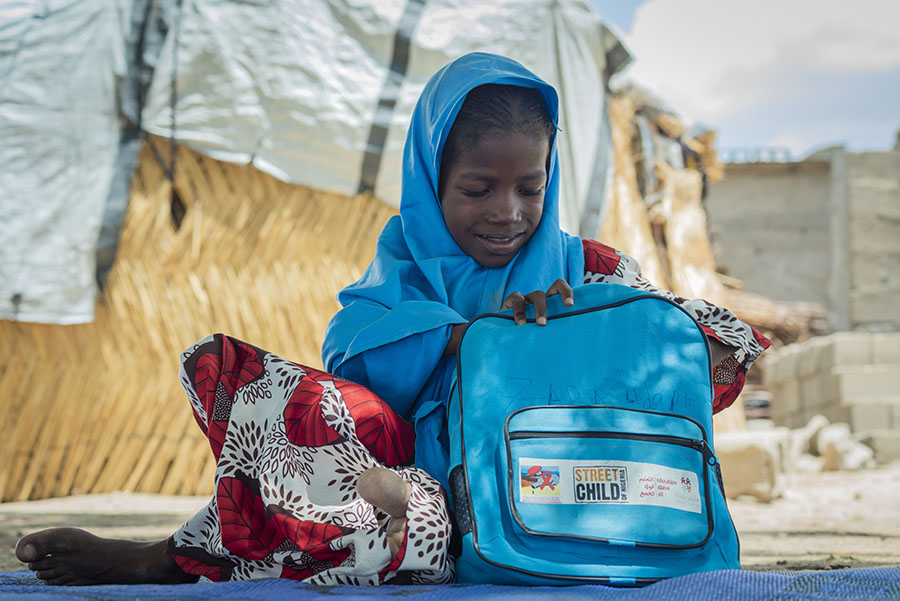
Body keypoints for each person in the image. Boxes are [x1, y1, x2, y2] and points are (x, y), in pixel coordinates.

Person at [15, 52, 769, 587]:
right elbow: (352, 373)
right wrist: (458, 336)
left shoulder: (588, 270)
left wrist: (592, 319)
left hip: (582, 494)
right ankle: (170, 559)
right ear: (428, 178)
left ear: (551, 179)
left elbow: (714, 351)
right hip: (429, 502)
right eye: (478, 188)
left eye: (529, 188)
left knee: (383, 515)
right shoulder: (400, 275)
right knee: (316, 420)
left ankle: (194, 557)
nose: (508, 214)